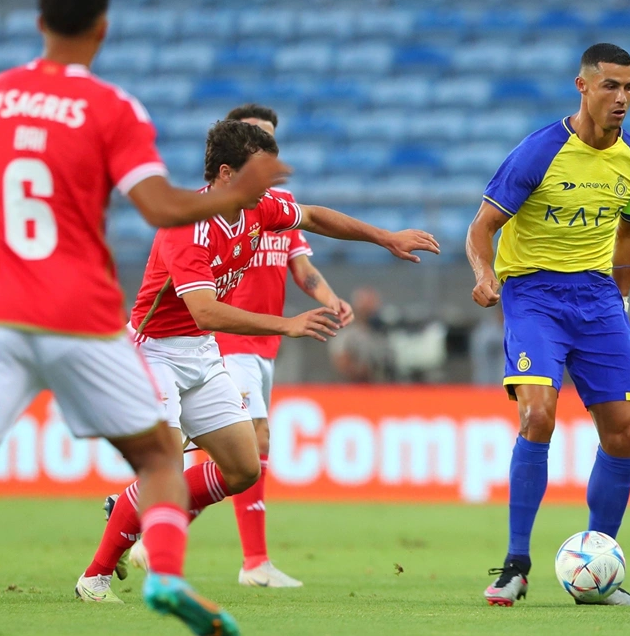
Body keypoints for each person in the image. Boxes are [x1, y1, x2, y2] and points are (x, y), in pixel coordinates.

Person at [0, 0, 288, 635]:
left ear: (39, 23)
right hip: (79, 311)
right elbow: (157, 205)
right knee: (158, 455)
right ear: (102, 28)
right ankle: (166, 577)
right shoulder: (113, 108)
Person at [76, 120, 439, 602]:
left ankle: (128, 510)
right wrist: (286, 324)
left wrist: (384, 237)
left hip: (200, 353)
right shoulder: (186, 223)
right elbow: (203, 308)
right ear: (226, 173)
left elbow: (312, 216)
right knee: (163, 470)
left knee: (244, 468)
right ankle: (96, 576)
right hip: (153, 353)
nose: (270, 186)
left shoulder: (258, 208)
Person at [466, 43, 630, 607]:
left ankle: (601, 568)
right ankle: (515, 565)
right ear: (582, 86)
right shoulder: (539, 152)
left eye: (629, 88)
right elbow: (481, 230)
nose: (621, 98)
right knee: (538, 414)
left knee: (625, 429)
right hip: (533, 294)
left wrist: (620, 295)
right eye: (610, 87)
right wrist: (483, 276)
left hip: (597, 297)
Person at [214, 104, 354, 587]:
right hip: (227, 337)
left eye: (269, 138)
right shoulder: (222, 206)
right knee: (254, 441)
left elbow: (300, 265)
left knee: (215, 451)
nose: (264, 146)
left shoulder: (280, 205)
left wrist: (331, 297)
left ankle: (141, 519)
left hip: (265, 344)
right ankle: (255, 563)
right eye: (254, 136)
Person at [329, 287, 394, 382]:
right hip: (352, 389)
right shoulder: (346, 334)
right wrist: (361, 371)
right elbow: (342, 362)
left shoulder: (378, 333)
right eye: (367, 306)